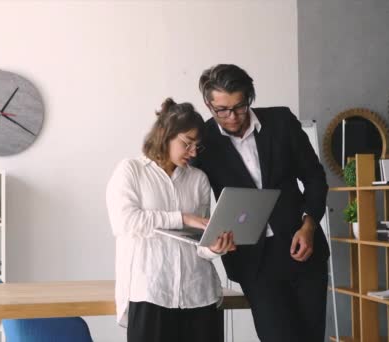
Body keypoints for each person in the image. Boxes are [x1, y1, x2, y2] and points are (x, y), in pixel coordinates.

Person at [191, 64, 330, 342]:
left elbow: (314, 177)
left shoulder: (281, 122)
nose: (232, 117)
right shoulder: (203, 143)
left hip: (302, 247)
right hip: (253, 261)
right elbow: (192, 194)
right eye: (222, 110)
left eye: (239, 107)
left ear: (249, 97)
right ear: (208, 105)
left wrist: (309, 225)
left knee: (311, 337)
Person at [106, 98, 235, 342]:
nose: (193, 152)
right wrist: (182, 217)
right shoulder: (131, 170)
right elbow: (125, 222)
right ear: (165, 135)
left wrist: (214, 248)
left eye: (198, 146)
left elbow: (200, 242)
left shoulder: (198, 179)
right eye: (187, 143)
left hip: (199, 294)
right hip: (152, 293)